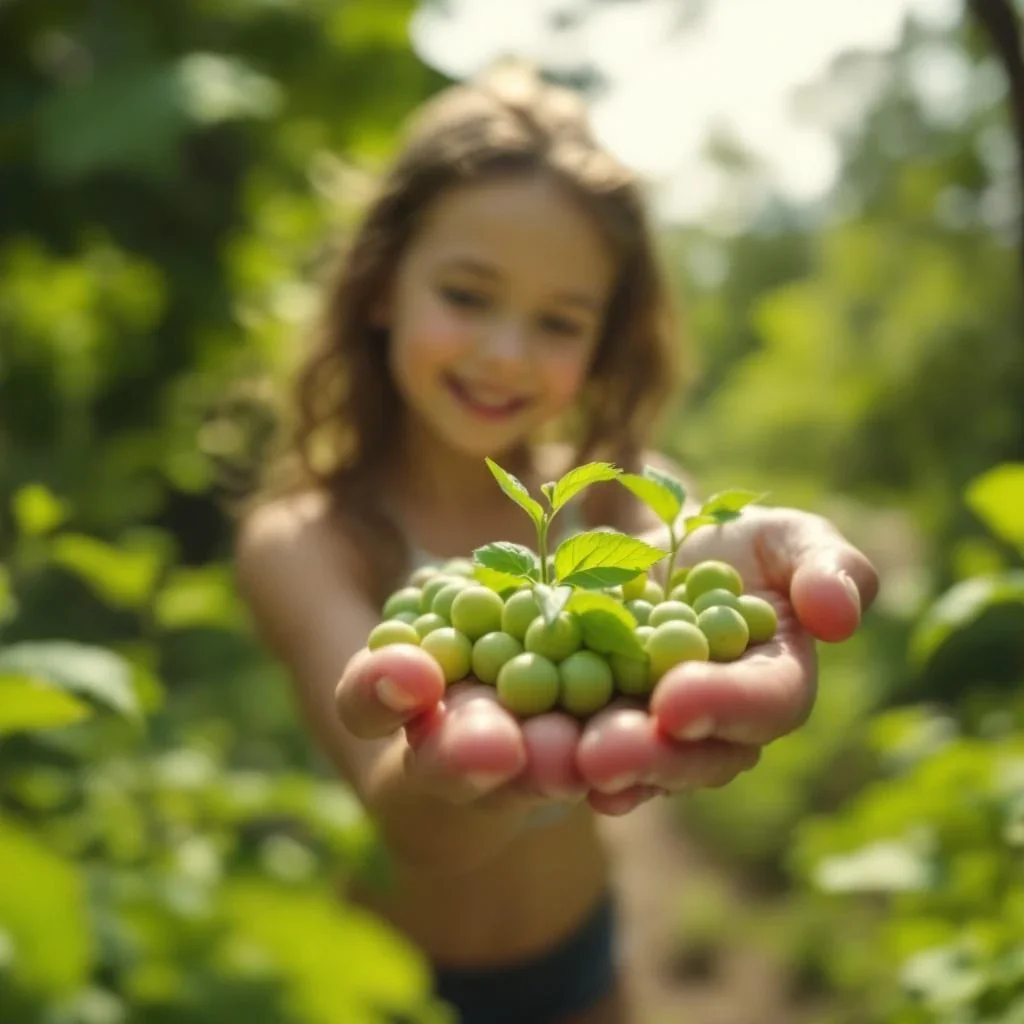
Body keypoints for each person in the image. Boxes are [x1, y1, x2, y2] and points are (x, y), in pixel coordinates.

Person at [233, 59, 879, 1024]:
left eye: (558, 321)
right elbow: (407, 818)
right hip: (392, 988)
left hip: (584, 958)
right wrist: (472, 768)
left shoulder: (613, 488)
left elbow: (679, 549)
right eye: (467, 295)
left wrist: (728, 563)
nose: (505, 353)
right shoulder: (309, 539)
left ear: (605, 339)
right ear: (381, 286)